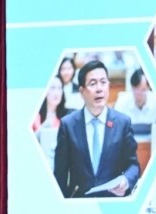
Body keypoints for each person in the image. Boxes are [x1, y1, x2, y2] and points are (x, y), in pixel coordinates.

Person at [53, 60, 139, 198]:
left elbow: (133, 165)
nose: (99, 89)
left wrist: (126, 180)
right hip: (80, 203)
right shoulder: (68, 125)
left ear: (109, 86)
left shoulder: (122, 123)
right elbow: (60, 175)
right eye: (93, 84)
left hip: (112, 203)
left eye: (103, 82)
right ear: (82, 91)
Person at [113, 68, 156, 138]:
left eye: (143, 90)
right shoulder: (122, 102)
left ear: (148, 88)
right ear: (132, 87)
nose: (139, 93)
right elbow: (115, 129)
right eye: (136, 89)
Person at [31, 76, 69, 166]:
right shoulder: (35, 117)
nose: (57, 93)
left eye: (59, 88)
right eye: (52, 88)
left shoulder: (66, 117)